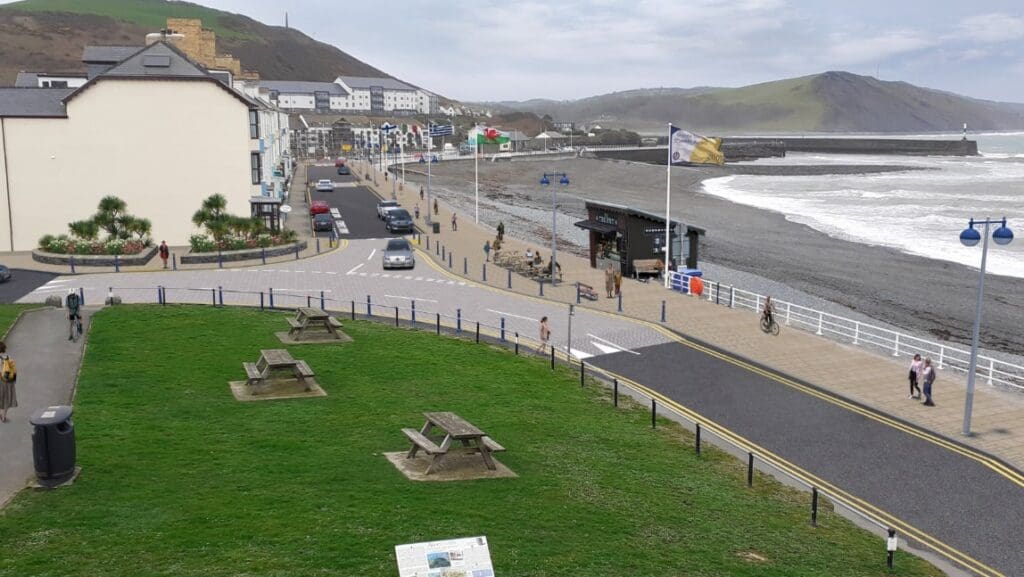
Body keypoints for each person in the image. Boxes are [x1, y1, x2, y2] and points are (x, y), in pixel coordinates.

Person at [0, 341, 16, 423]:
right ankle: (4, 416)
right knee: (6, 399)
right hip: (7, 381)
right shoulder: (8, 357)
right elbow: (13, 369)